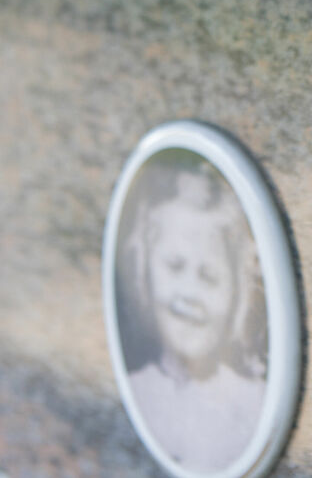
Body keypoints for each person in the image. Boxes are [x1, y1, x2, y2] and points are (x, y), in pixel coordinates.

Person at [116, 154, 268, 473]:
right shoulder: (135, 392)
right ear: (146, 273)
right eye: (174, 266)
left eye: (209, 276)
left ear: (237, 292)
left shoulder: (255, 404)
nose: (189, 294)